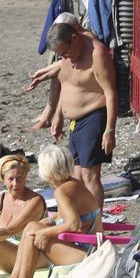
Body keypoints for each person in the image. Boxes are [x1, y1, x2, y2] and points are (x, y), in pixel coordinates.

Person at [0, 145, 100, 278]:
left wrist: (44, 232)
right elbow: (73, 217)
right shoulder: (73, 184)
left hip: (88, 256)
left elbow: (74, 224)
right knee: (32, 227)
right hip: (91, 249)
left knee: (34, 231)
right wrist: (51, 222)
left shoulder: (62, 191)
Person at [39, 21, 118, 210]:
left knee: (90, 175)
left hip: (93, 118)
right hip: (74, 122)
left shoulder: (96, 54)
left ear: (74, 39)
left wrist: (110, 130)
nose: (66, 58)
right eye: (61, 55)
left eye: (66, 53)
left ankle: (96, 223)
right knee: (76, 175)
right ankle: (83, 217)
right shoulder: (68, 57)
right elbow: (66, 86)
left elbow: (110, 93)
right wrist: (58, 116)